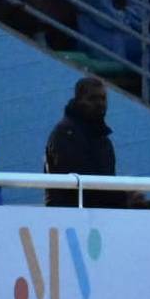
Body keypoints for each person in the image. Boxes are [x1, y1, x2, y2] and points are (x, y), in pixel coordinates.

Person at [44, 77, 127, 208]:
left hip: (97, 216)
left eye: (103, 98)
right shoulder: (65, 134)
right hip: (69, 217)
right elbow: (80, 185)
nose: (100, 103)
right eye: (93, 98)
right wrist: (125, 198)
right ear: (78, 100)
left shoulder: (103, 139)